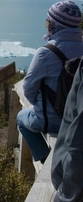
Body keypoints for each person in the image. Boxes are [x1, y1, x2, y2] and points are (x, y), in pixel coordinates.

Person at [17, 0, 83, 163]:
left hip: (55, 121)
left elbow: (29, 88)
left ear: (53, 24)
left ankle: (46, 160)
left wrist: (38, 104)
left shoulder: (46, 53)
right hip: (80, 121)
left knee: (21, 118)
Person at [51, 58, 83, 201]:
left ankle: (40, 155)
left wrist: (65, 196)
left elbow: (78, 144)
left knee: (21, 119)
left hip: (72, 186)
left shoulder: (44, 54)